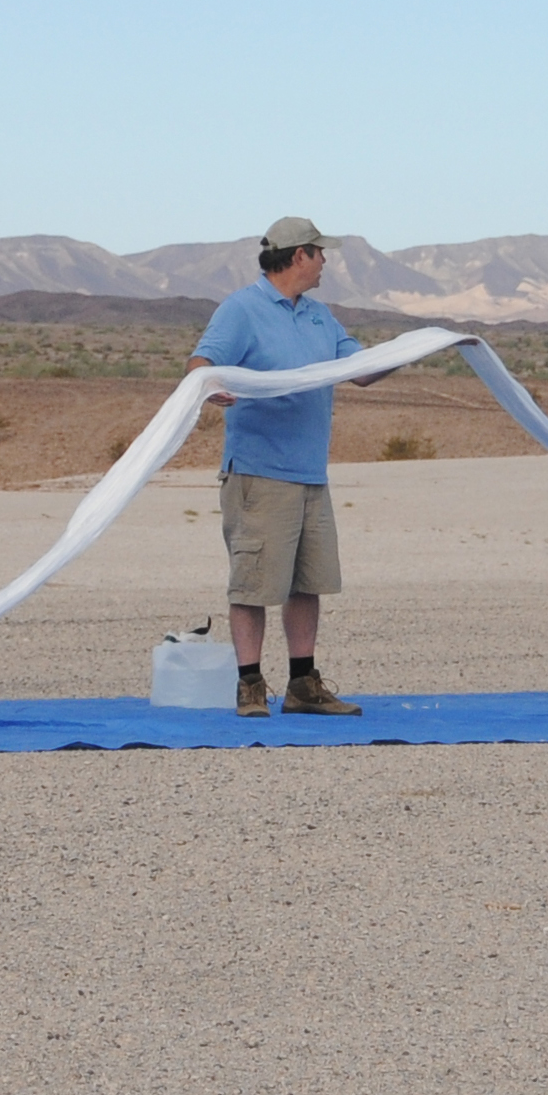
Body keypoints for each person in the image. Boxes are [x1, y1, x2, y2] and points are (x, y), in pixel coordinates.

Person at [190, 217, 393, 719]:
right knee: (255, 582)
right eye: (320, 253)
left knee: (308, 582)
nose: (326, 261)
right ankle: (250, 685)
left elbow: (361, 371)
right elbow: (201, 363)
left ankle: (303, 684)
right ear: (299, 255)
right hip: (260, 474)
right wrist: (210, 387)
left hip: (310, 475)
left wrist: (419, 347)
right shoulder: (242, 309)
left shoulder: (321, 317)